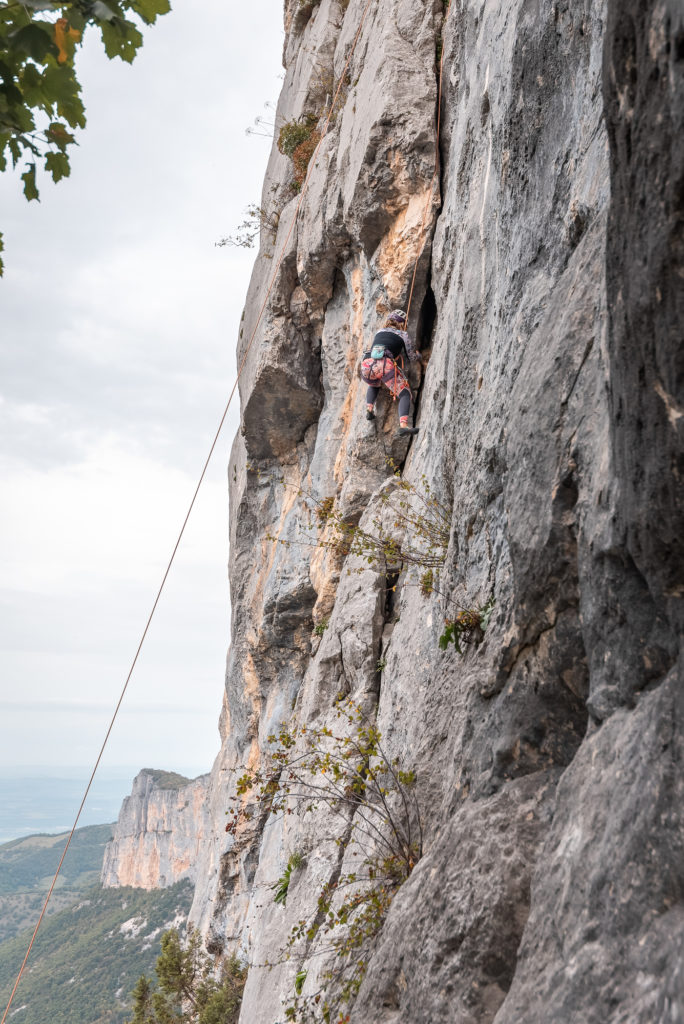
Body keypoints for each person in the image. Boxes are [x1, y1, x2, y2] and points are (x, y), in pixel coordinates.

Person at [360, 309, 422, 436]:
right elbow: (411, 357)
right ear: (402, 323)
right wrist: (419, 355)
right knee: (404, 393)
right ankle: (404, 426)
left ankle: (369, 408)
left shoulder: (379, 331)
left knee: (374, 383)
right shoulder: (403, 334)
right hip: (384, 364)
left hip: (366, 364)